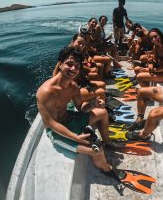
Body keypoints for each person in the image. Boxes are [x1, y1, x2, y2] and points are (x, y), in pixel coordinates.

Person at [37, 47, 120, 175]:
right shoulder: (47, 92)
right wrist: (76, 137)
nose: (73, 69)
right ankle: (107, 169)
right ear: (60, 65)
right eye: (69, 64)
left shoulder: (73, 87)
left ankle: (107, 142)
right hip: (57, 132)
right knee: (96, 150)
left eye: (77, 66)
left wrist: (93, 104)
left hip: (70, 118)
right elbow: (51, 124)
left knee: (102, 113)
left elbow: (81, 108)